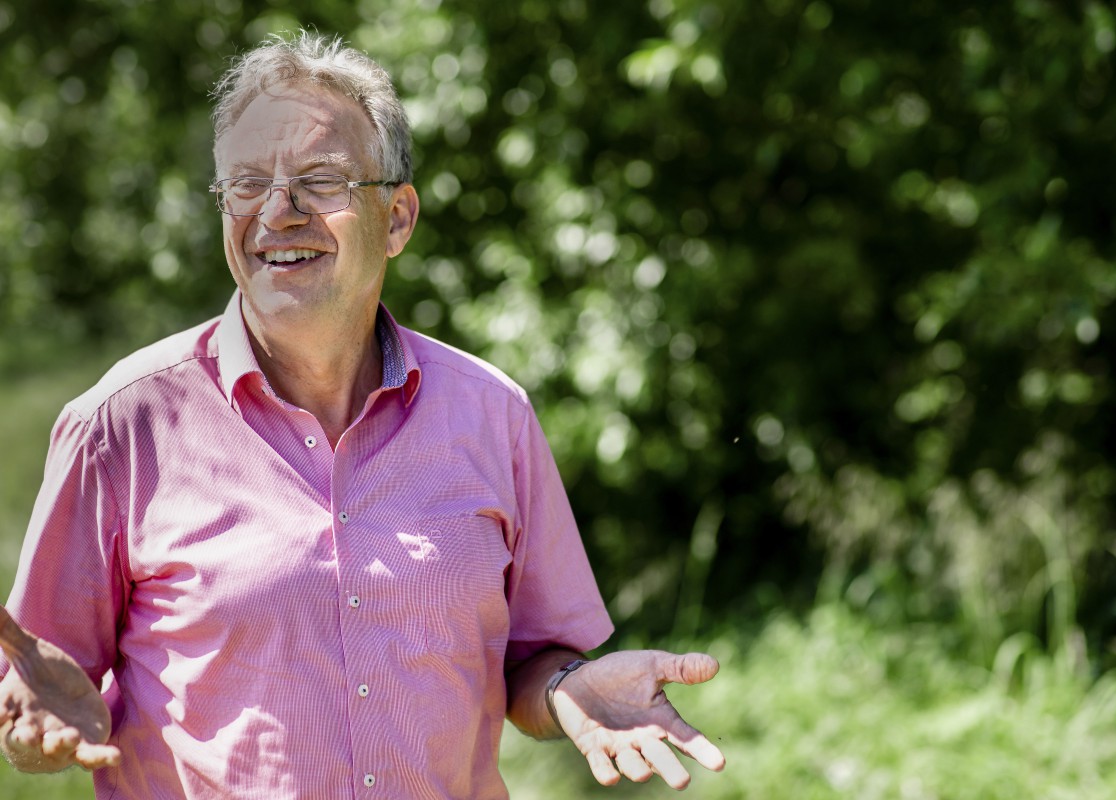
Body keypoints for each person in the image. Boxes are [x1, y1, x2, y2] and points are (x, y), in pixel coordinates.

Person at [0, 31, 725, 798]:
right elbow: (44, 690)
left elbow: (531, 658)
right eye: (246, 184)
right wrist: (33, 736)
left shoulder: (492, 414)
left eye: (322, 181)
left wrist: (567, 690)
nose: (278, 213)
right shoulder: (121, 425)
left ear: (400, 218)